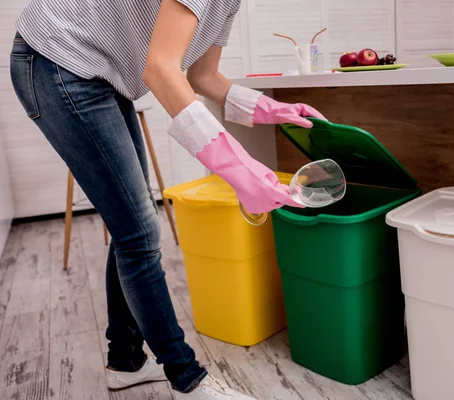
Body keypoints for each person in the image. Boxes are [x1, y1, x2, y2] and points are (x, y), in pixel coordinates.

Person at [10, 0, 325, 399]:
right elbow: (160, 68)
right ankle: (186, 378)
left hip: (98, 72)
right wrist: (239, 171)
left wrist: (269, 108)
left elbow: (203, 75)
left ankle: (125, 362)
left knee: (131, 226)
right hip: (57, 59)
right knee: (139, 232)